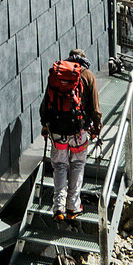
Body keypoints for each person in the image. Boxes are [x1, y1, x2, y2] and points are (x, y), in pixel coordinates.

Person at [39, 49, 102, 221]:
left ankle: (58, 207)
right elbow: (95, 109)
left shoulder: (57, 75)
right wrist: (96, 128)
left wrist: (45, 126)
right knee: (77, 165)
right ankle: (73, 207)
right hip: (78, 132)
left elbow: (46, 104)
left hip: (57, 131)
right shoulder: (88, 76)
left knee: (59, 166)